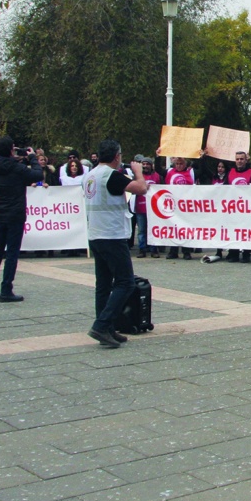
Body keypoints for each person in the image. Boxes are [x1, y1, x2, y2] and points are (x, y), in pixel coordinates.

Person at [83, 139, 148, 348]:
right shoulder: (111, 175)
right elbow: (141, 188)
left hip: (95, 233)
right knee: (125, 282)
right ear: (116, 156)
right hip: (112, 234)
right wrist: (138, 171)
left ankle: (108, 328)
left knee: (103, 285)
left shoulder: (91, 175)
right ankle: (101, 325)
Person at [0, 136, 42, 302]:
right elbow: (37, 175)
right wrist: (32, 158)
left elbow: (4, 164)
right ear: (11, 150)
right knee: (11, 253)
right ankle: (6, 289)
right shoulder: (17, 168)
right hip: (15, 214)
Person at [163, 155, 196, 260]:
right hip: (173, 205)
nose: (179, 166)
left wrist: (201, 157)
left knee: (185, 229)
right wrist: (158, 155)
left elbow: (202, 170)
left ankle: (186, 251)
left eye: (181, 164)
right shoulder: (170, 172)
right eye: (177, 164)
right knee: (174, 228)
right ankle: (173, 251)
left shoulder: (190, 172)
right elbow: (159, 170)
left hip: (186, 205)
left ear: (185, 164)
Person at [226, 151, 251, 263]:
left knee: (246, 231)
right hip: (233, 208)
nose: (239, 161)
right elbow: (223, 189)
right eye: (237, 159)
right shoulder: (230, 172)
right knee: (233, 230)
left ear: (245, 160)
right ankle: (233, 253)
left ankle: (246, 254)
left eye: (241, 159)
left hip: (247, 208)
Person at [131, 157, 160, 258]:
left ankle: (154, 250)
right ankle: (142, 249)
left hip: (154, 209)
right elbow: (132, 190)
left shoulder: (157, 176)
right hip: (140, 207)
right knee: (141, 231)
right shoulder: (138, 177)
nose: (145, 166)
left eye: (148, 164)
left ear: (151, 165)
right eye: (143, 164)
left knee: (153, 230)